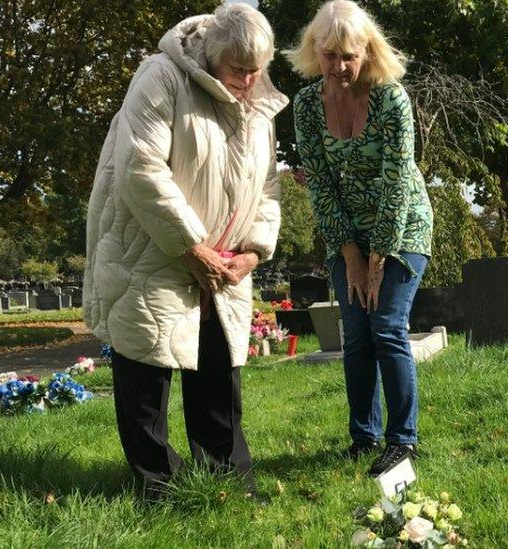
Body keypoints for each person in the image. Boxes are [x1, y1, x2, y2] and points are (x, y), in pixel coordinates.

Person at [83, 4, 288, 501]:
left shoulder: (258, 102)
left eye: (257, 68)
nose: (248, 79)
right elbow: (140, 168)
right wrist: (191, 245)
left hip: (226, 259)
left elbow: (267, 185)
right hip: (149, 246)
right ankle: (157, 484)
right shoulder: (161, 76)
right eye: (238, 69)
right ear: (211, 54)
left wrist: (254, 252)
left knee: (219, 366)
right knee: (145, 366)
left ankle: (225, 480)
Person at [286, 0, 433, 476]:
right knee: (356, 337)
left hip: (402, 228)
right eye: (330, 55)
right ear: (315, 52)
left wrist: (376, 259)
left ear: (367, 51)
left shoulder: (391, 99)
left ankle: (402, 442)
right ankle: (363, 437)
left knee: (387, 326)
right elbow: (322, 186)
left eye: (350, 55)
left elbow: (396, 184)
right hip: (344, 231)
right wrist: (349, 254)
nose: (340, 66)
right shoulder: (307, 106)